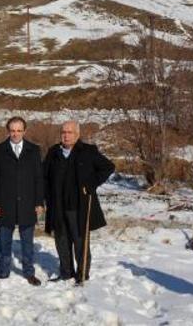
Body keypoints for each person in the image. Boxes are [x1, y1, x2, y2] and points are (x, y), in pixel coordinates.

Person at [44, 121, 114, 285]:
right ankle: (66, 273)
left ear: (77, 134)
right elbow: (44, 176)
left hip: (79, 206)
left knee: (80, 242)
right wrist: (45, 197)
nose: (66, 135)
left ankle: (82, 275)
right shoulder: (54, 152)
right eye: (63, 132)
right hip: (58, 206)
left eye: (70, 132)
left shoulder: (88, 151)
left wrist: (91, 184)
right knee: (61, 240)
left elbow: (108, 167)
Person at [0, 116, 44, 286]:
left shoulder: (34, 150)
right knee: (5, 242)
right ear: (8, 131)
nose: (15, 134)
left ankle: (29, 272)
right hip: (5, 204)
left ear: (24, 131)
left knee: (27, 243)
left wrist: (39, 202)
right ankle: (4, 270)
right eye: (12, 130)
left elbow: (38, 178)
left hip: (28, 203)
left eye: (19, 130)